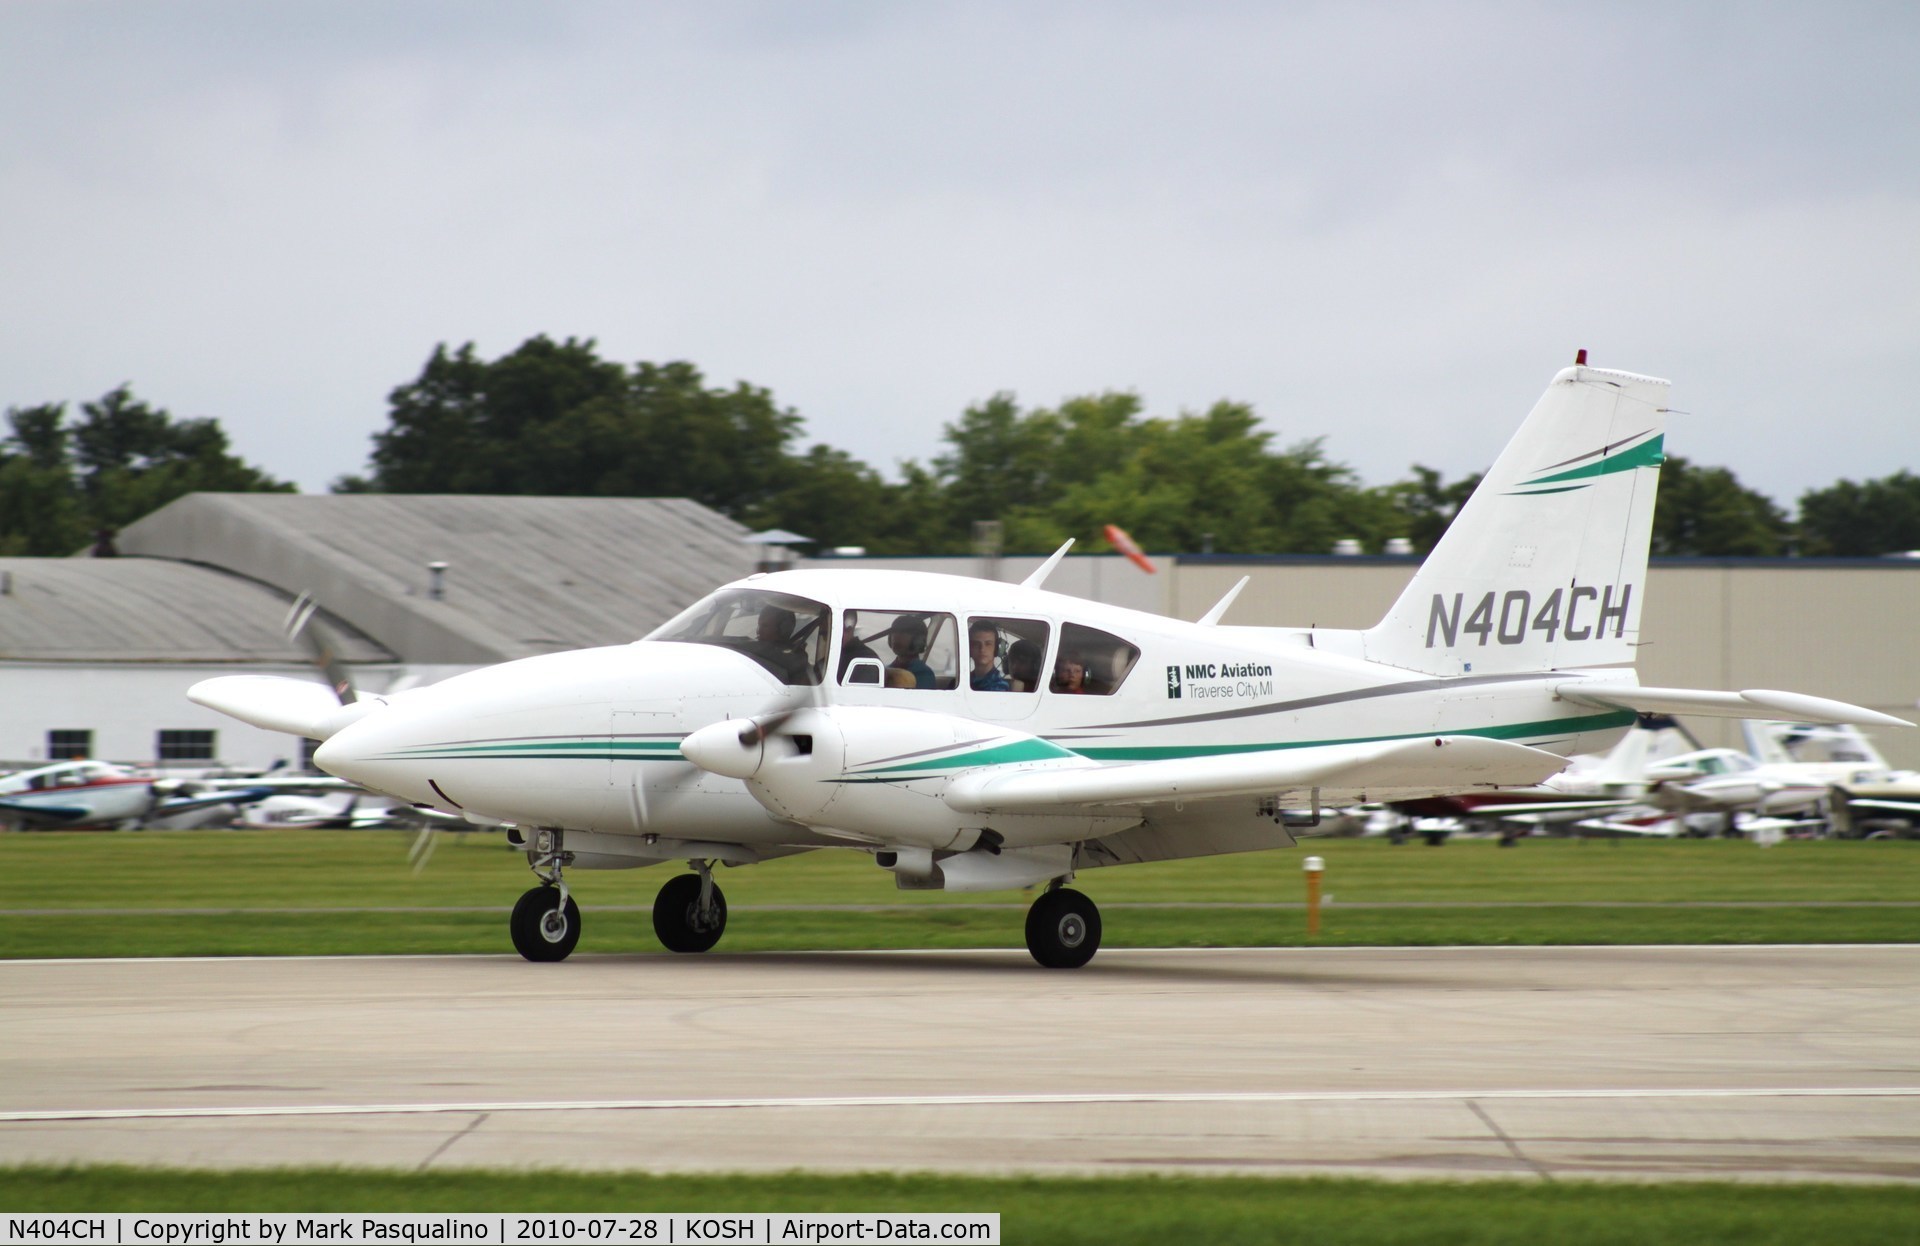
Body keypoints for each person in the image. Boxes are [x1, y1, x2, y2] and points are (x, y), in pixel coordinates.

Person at [887, 615, 936, 689]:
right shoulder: (887, 671)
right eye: (894, 632)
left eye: (904, 632)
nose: (896, 636)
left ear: (918, 640)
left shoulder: (924, 675)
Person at [968, 620, 1011, 691]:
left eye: (988, 644)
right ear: (969, 648)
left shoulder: (1000, 686)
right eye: (976, 644)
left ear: (996, 649)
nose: (982, 649)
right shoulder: (962, 680)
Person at [837, 611, 879, 679]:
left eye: (825, 634)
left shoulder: (866, 659)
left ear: (849, 628)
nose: (825, 639)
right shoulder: (837, 655)